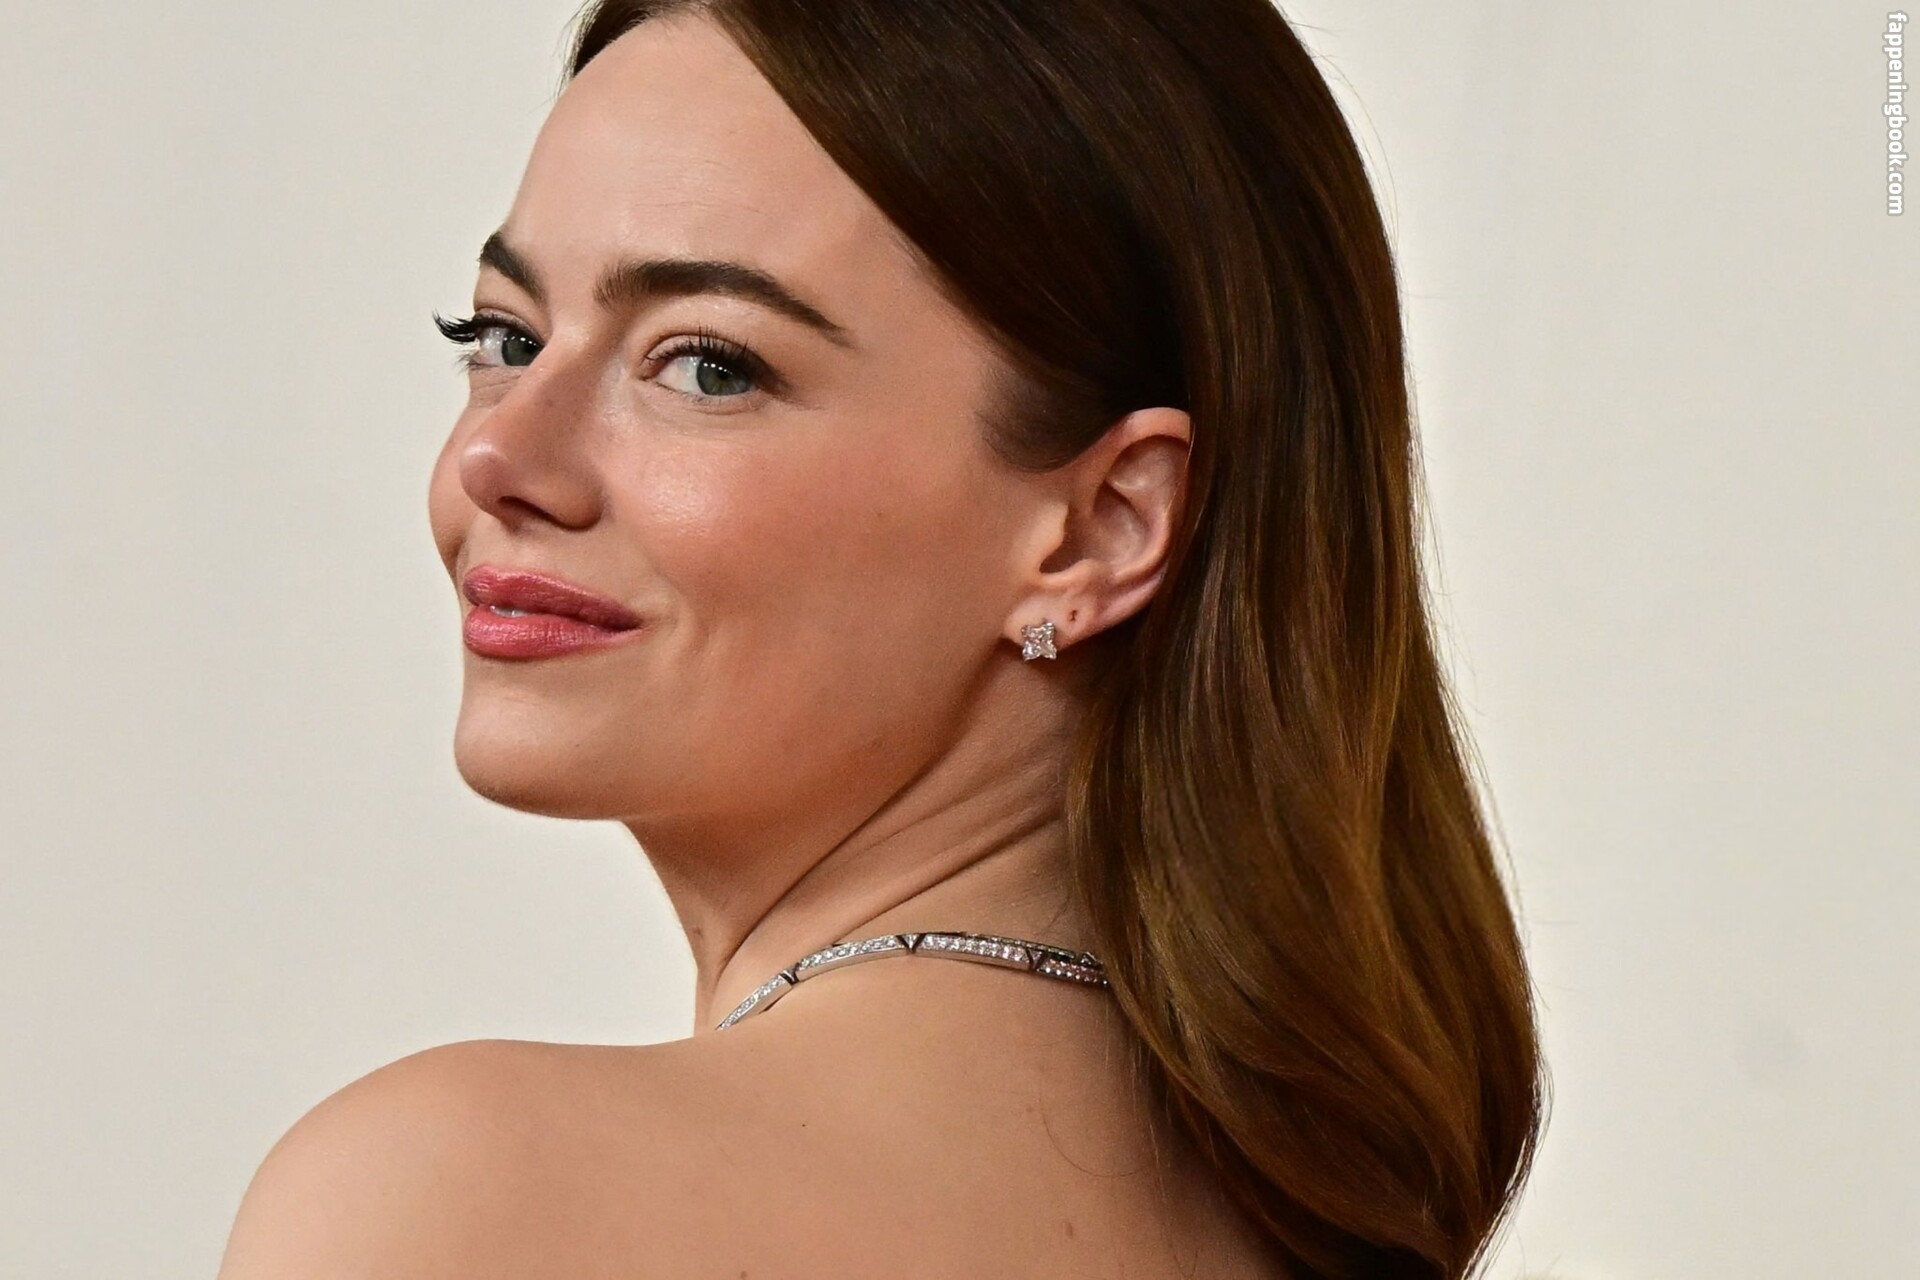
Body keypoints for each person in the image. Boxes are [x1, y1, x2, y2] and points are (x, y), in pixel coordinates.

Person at [216, 1, 1545, 1276]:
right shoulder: (1313, 1240)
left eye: (709, 365)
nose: (499, 456)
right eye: (505, 337)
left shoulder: (467, 1200)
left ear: (1100, 530)